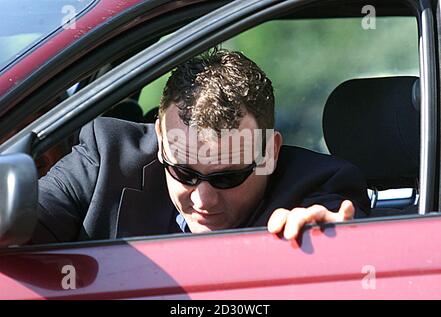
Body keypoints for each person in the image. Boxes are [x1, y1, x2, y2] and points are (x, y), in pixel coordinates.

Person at [33, 49, 370, 244]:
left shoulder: (321, 183)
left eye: (228, 177)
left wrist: (328, 238)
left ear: (269, 152)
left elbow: (333, 218)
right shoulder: (107, 155)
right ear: (161, 140)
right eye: (183, 172)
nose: (203, 199)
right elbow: (27, 217)